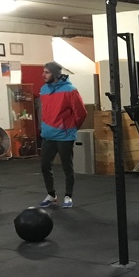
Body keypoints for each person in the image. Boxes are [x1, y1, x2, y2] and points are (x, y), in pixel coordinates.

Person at [38, 61, 87, 209]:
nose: (43, 75)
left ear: (55, 74)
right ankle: (51, 195)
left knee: (67, 166)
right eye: (43, 71)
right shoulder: (44, 90)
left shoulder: (70, 90)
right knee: (45, 165)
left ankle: (68, 196)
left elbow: (81, 113)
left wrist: (71, 129)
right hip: (48, 134)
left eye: (47, 72)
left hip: (64, 135)